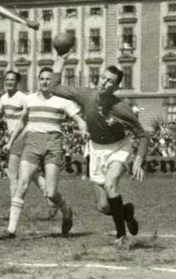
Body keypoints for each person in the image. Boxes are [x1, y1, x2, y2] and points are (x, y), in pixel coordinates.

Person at [49, 56, 148, 249]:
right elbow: (54, 87)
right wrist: (60, 59)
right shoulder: (86, 95)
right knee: (103, 206)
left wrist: (138, 160)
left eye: (110, 81)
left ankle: (121, 236)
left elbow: (143, 135)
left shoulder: (121, 108)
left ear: (116, 87)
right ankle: (126, 213)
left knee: (111, 184)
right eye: (103, 78)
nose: (104, 82)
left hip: (119, 147)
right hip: (95, 149)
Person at [0, 67, 84, 240]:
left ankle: (67, 212)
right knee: (21, 185)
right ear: (38, 81)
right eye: (42, 79)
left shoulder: (62, 101)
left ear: (52, 82)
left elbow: (79, 119)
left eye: (48, 79)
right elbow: (22, 122)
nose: (45, 82)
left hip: (53, 144)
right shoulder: (30, 100)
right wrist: (10, 141)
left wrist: (83, 128)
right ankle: (11, 230)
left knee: (51, 193)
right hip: (32, 143)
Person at [0, 70, 54, 219]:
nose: (9, 82)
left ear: (17, 82)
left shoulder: (23, 98)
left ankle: (14, 209)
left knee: (12, 174)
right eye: (7, 79)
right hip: (15, 138)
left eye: (12, 80)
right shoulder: (3, 98)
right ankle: (52, 200)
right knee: (32, 174)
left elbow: (30, 115)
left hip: (21, 137)